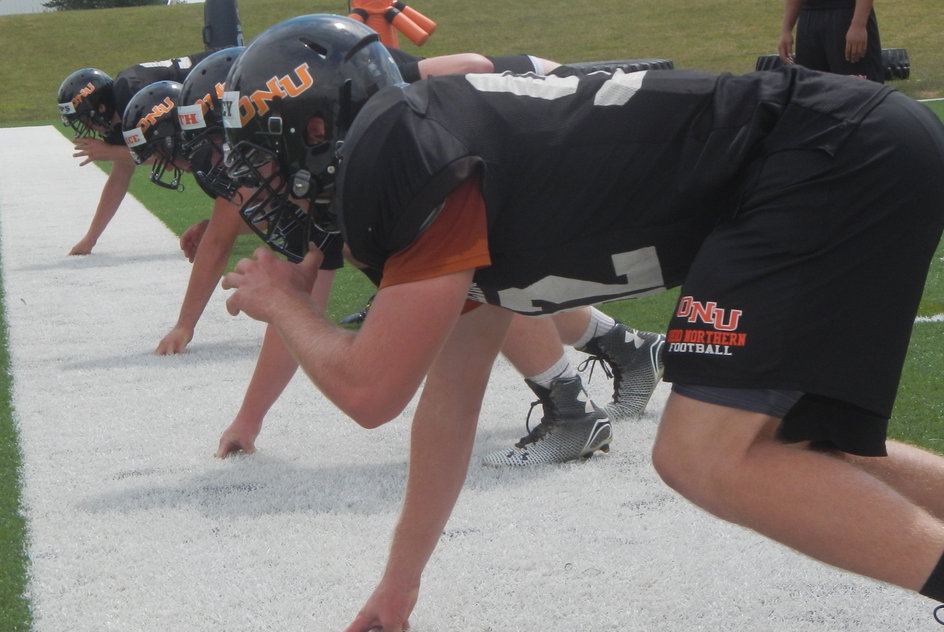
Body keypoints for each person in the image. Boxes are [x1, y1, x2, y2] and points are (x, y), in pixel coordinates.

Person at [219, 15, 944, 630]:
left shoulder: (401, 153)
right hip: (846, 147)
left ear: (316, 128)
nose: (260, 188)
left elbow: (370, 393)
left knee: (700, 457)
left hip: (828, 156)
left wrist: (282, 302)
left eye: (263, 161)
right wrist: (401, 582)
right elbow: (448, 402)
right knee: (788, 450)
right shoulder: (439, 167)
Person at [147, 42, 663, 464]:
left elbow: (474, 67)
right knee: (457, 273)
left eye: (234, 146)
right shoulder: (338, 149)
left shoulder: (371, 111)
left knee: (464, 267)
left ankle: (571, 406)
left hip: (546, 125)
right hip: (512, 139)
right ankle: (624, 350)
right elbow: (304, 304)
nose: (230, 166)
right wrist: (250, 418)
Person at [56, 50, 215, 256]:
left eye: (86, 119)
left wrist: (111, 152)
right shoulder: (120, 116)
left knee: (210, 157)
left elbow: (169, 152)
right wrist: (90, 239)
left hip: (223, 78)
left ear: (101, 108)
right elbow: (119, 178)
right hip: (206, 93)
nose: (88, 127)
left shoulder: (131, 92)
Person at [778, 0, 884, 83]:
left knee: (858, 95)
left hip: (846, 15)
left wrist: (859, 24)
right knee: (811, 94)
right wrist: (786, 30)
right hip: (809, 19)